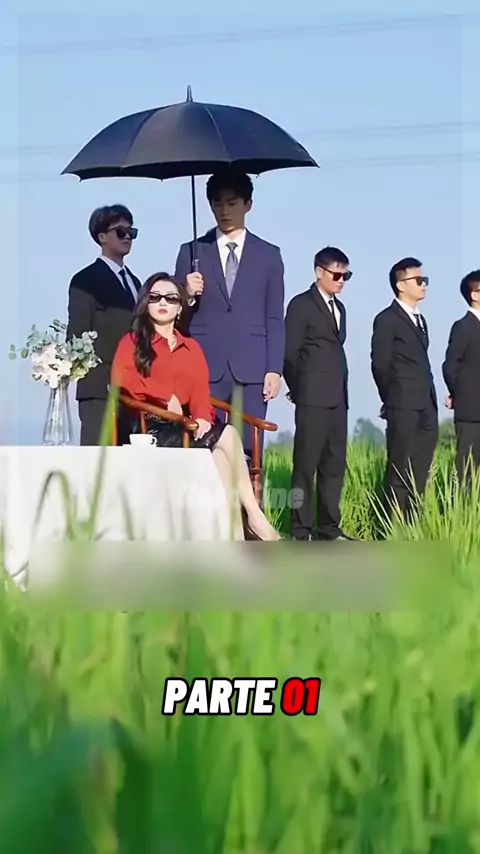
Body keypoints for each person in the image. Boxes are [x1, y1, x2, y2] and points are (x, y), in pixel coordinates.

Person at [111, 272, 281, 542]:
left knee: (221, 456)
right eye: (155, 297)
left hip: (183, 425)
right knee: (227, 434)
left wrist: (202, 417)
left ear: (180, 307)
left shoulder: (191, 347)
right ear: (146, 304)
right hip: (146, 426)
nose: (163, 302)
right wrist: (164, 397)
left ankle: (236, 535)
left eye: (171, 298)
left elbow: (201, 392)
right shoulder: (131, 341)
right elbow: (122, 380)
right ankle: (254, 515)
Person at [174, 166, 285, 460]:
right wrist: (187, 293)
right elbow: (174, 316)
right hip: (205, 365)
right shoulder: (192, 251)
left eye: (232, 203)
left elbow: (274, 317)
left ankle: (246, 493)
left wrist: (274, 369)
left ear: (248, 204)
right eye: (218, 203)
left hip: (252, 368)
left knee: (249, 450)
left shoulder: (269, 255)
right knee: (204, 446)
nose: (224, 211)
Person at [283, 247, 352, 541]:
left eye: (346, 275)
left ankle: (329, 529)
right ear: (319, 272)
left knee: (334, 465)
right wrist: (300, 389)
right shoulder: (301, 305)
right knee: (304, 466)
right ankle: (300, 530)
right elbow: (289, 353)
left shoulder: (341, 308)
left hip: (338, 398)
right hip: (311, 398)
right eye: (336, 275)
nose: (341, 280)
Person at [66, 204, 141, 445]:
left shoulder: (135, 282)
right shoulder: (85, 280)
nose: (127, 236)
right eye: (120, 231)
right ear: (102, 237)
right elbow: (76, 336)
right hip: (99, 390)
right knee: (98, 456)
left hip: (133, 389)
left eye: (131, 232)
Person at [370, 257, 438, 518]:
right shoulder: (386, 319)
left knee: (420, 470)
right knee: (399, 468)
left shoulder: (421, 320)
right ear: (401, 285)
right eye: (418, 280)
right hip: (402, 404)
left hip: (426, 405)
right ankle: (390, 527)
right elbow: (380, 364)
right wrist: (392, 398)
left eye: (425, 280)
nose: (424, 285)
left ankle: (412, 525)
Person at [442, 269, 480, 483]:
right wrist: (460, 394)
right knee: (467, 473)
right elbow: (450, 366)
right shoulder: (464, 327)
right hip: (472, 414)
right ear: (474, 294)